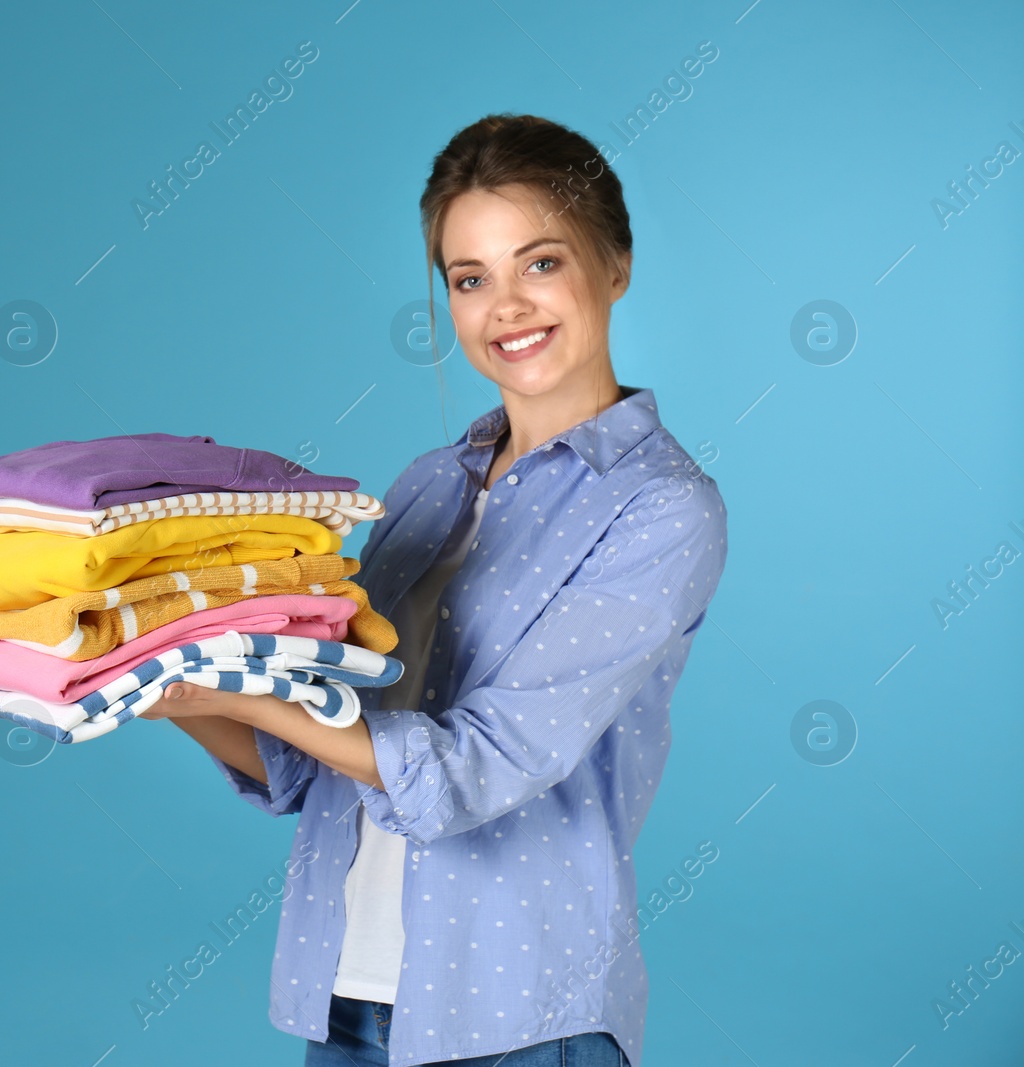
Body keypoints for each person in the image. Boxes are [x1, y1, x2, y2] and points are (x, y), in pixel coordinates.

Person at [145, 112, 729, 1067]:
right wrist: (160, 678)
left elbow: (477, 767)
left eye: (540, 263)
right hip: (349, 1003)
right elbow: (310, 754)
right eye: (470, 279)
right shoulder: (428, 484)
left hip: (522, 1019)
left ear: (615, 264)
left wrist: (230, 686)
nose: (506, 306)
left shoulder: (663, 510)